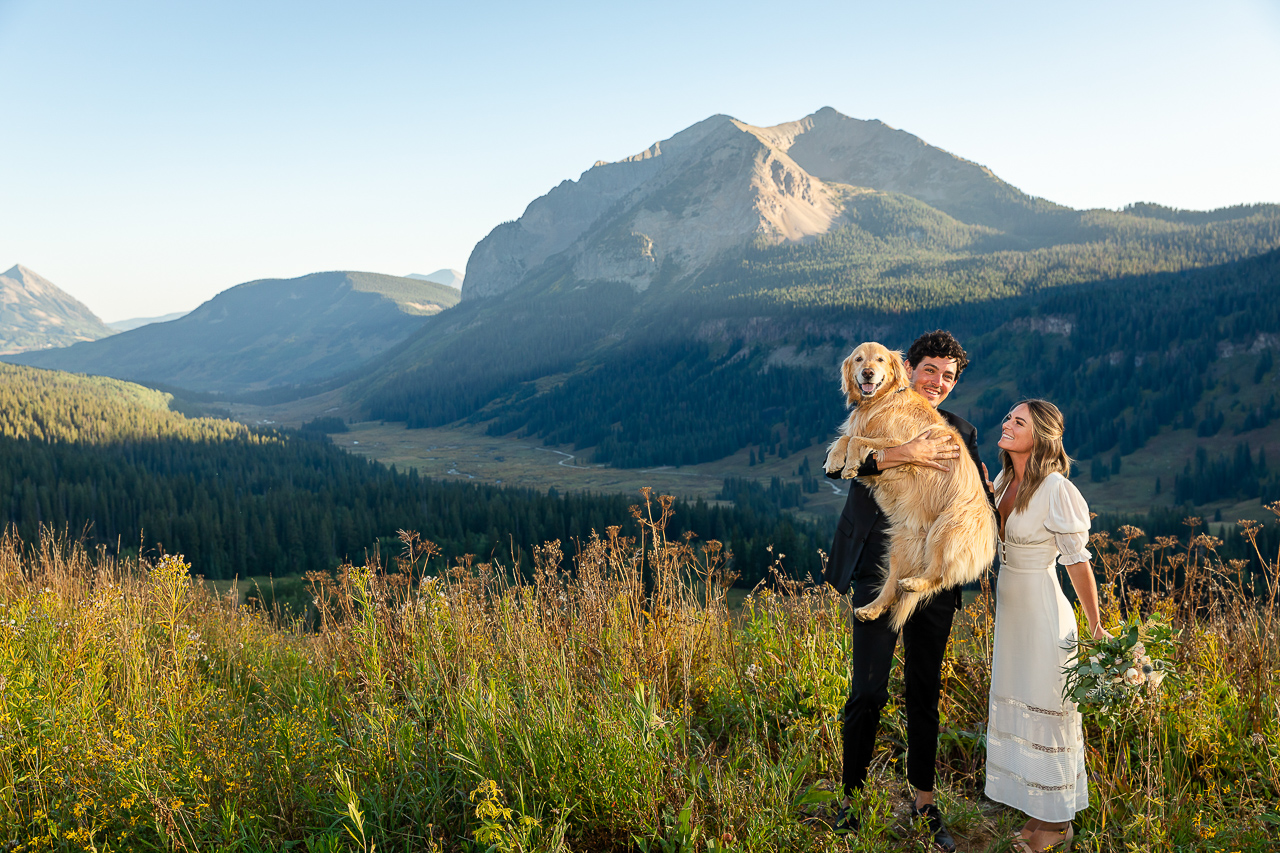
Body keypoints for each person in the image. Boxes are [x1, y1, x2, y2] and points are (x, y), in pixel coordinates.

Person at [824, 330, 992, 852]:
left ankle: (924, 804)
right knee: (868, 691)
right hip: (878, 564)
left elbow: (971, 498)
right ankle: (850, 800)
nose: (937, 383)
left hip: (931, 577)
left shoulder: (960, 430)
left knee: (924, 691)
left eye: (948, 377)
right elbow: (835, 465)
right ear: (907, 370)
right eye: (929, 372)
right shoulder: (869, 412)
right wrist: (906, 451)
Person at [985, 399, 1104, 853]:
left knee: (1049, 711)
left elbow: (1077, 563)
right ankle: (1041, 813)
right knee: (1022, 705)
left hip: (1043, 611)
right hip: (1012, 612)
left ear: (1041, 436)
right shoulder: (1002, 481)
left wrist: (1096, 626)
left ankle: (1057, 824)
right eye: (1009, 418)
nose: (1008, 424)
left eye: (1019, 421)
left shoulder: (1056, 488)